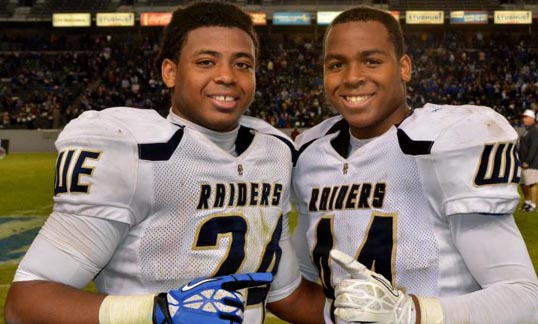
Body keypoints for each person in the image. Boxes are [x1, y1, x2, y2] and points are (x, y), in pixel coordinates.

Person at [4, 2, 324, 324]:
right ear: (170, 72)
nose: (226, 76)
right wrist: (156, 312)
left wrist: (350, 311)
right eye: (206, 61)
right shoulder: (131, 149)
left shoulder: (275, 152)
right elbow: (26, 302)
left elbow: (285, 293)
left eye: (242, 64)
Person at [291, 6, 538, 324]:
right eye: (337, 64)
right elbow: (294, 281)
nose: (352, 77)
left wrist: (410, 312)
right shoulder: (310, 154)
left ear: (404, 68)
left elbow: (523, 298)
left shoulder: (445, 142)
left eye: (371, 61)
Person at [519, 109, 538, 212]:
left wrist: (527, 161)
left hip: (531, 163)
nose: (524, 119)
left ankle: (533, 204)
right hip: (522, 162)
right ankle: (527, 201)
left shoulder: (535, 131)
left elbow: (534, 147)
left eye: (526, 117)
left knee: (532, 183)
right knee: (523, 183)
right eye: (523, 117)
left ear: (532, 119)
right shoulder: (526, 131)